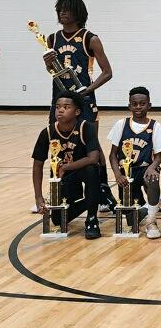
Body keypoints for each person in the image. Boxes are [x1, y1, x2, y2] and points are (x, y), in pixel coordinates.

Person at [41, 0, 115, 213]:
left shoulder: (90, 38)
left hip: (84, 102)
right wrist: (48, 64)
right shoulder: (52, 39)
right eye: (60, 9)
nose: (62, 13)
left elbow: (108, 72)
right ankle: (60, 191)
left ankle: (103, 189)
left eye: (67, 9)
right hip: (59, 100)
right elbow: (54, 72)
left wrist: (87, 91)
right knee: (58, 145)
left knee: (92, 146)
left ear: (78, 13)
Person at [32, 91, 102, 239]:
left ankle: (91, 220)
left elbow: (93, 158)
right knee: (58, 220)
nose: (61, 110)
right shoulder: (48, 132)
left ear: (77, 111)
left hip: (80, 171)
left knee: (91, 170)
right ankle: (96, 197)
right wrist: (38, 197)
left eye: (66, 107)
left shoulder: (86, 127)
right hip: (61, 178)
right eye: (57, 107)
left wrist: (65, 167)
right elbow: (37, 165)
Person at [107, 86, 161, 239]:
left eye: (142, 103)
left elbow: (158, 157)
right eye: (134, 104)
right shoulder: (121, 125)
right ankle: (153, 204)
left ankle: (151, 221)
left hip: (145, 168)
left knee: (153, 177)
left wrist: (153, 167)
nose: (138, 107)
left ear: (149, 105)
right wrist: (117, 174)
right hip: (126, 172)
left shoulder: (155, 126)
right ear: (129, 106)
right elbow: (113, 155)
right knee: (131, 220)